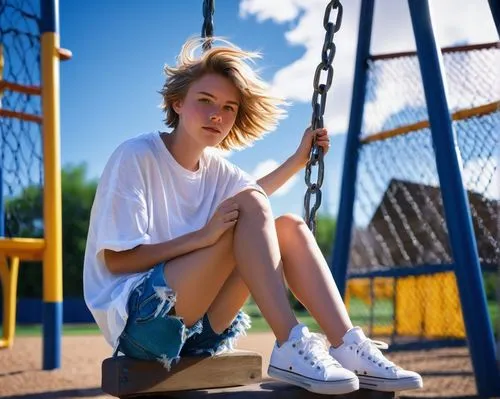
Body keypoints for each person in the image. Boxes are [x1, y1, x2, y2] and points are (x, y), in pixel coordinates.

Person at [83, 37, 423, 395]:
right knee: (245, 211)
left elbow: (255, 201)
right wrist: (202, 238)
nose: (218, 114)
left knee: (288, 227)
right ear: (177, 102)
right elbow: (119, 261)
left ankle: (348, 345)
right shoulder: (137, 156)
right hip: (144, 324)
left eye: (229, 107)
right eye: (205, 101)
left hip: (199, 330)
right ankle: (290, 341)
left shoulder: (218, 170)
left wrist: (296, 160)